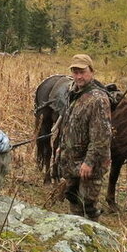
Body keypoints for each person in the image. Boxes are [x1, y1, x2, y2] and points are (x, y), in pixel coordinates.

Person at [51, 53, 112, 221]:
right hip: (73, 162)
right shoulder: (74, 94)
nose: (78, 76)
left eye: (82, 72)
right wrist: (61, 148)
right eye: (75, 72)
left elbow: (102, 137)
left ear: (91, 71)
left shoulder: (98, 99)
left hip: (88, 167)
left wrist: (89, 162)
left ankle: (92, 240)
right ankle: (77, 238)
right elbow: (70, 126)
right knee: (74, 202)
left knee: (88, 206)